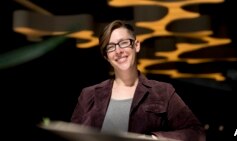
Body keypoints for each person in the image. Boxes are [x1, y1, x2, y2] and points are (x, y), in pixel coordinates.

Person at [71, 20, 206, 141]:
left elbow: (196, 133)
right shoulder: (88, 95)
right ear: (107, 56)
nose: (118, 50)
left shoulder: (163, 92)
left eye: (123, 43)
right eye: (111, 46)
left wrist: (153, 138)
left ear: (136, 46)